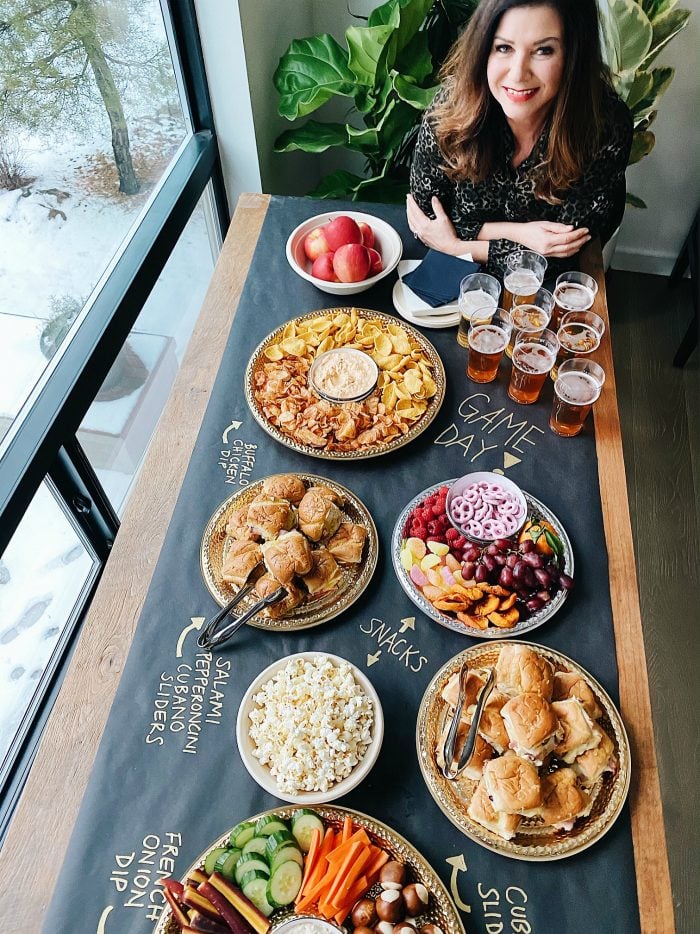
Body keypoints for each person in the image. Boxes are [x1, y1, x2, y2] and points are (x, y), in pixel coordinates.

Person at [407, 0, 633, 276]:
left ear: (573, 54)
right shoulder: (452, 107)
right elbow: (426, 221)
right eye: (503, 47)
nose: (517, 73)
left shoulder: (604, 125)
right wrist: (524, 235)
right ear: (483, 48)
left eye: (543, 50)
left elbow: (562, 257)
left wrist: (456, 247)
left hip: (543, 292)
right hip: (453, 284)